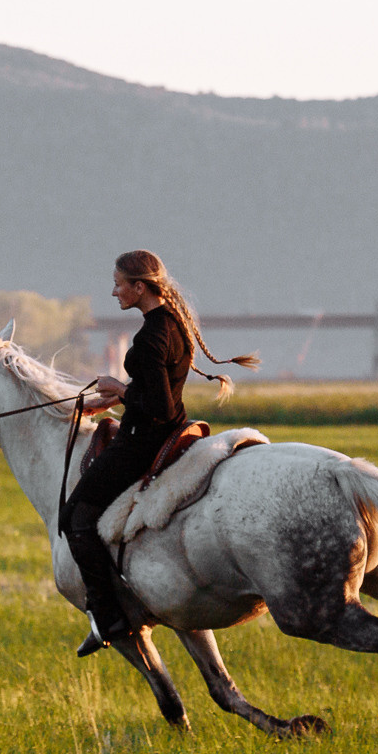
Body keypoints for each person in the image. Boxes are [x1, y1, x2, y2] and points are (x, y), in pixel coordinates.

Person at [64, 250, 259, 655]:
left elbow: (159, 407)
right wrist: (114, 400)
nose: (113, 291)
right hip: (159, 429)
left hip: (144, 439)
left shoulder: (151, 335)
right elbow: (159, 395)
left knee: (76, 516)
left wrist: (117, 389)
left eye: (119, 283)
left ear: (139, 287)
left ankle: (108, 615)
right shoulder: (171, 322)